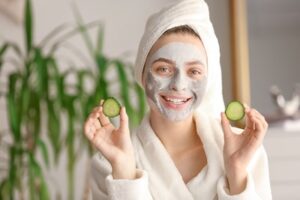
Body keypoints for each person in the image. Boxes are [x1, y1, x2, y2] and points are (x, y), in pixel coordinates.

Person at [83, 0, 272, 199]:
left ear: (209, 79)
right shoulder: (108, 164)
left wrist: (237, 173)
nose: (179, 85)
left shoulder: (247, 153)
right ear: (142, 73)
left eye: (194, 71)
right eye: (163, 69)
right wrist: (124, 173)